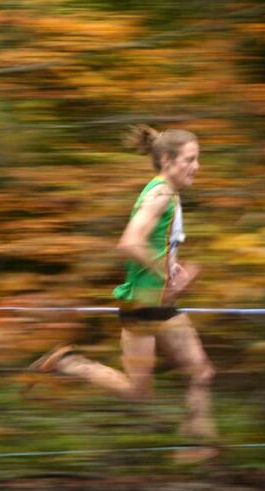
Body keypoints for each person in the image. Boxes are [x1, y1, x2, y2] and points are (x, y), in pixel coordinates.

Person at [26, 125, 218, 463]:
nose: (197, 166)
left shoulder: (168, 195)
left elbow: (154, 247)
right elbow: (130, 242)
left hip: (159, 304)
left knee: (201, 372)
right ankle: (71, 364)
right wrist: (166, 271)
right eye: (190, 159)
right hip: (142, 305)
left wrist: (176, 271)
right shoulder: (159, 195)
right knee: (138, 392)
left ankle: (196, 449)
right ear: (167, 160)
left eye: (197, 159)